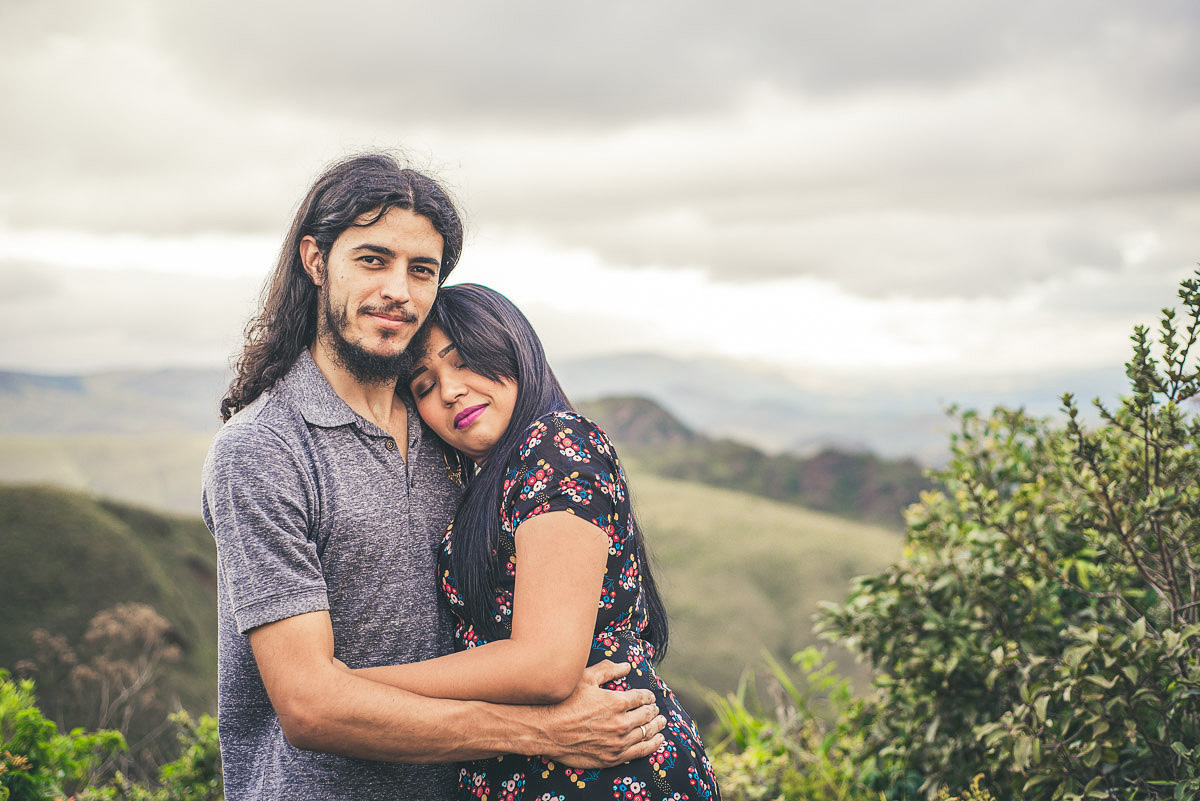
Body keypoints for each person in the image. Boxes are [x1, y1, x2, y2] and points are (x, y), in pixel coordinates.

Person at [202, 153, 666, 801]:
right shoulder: (264, 448)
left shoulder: (449, 434)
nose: (399, 288)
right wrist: (537, 731)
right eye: (373, 259)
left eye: (421, 270)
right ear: (315, 260)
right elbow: (308, 704)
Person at [344, 283, 721, 800]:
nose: (449, 391)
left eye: (463, 362)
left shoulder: (556, 446)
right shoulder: (491, 481)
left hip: (605, 771)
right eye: (425, 385)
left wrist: (356, 689)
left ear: (514, 349)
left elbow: (545, 665)